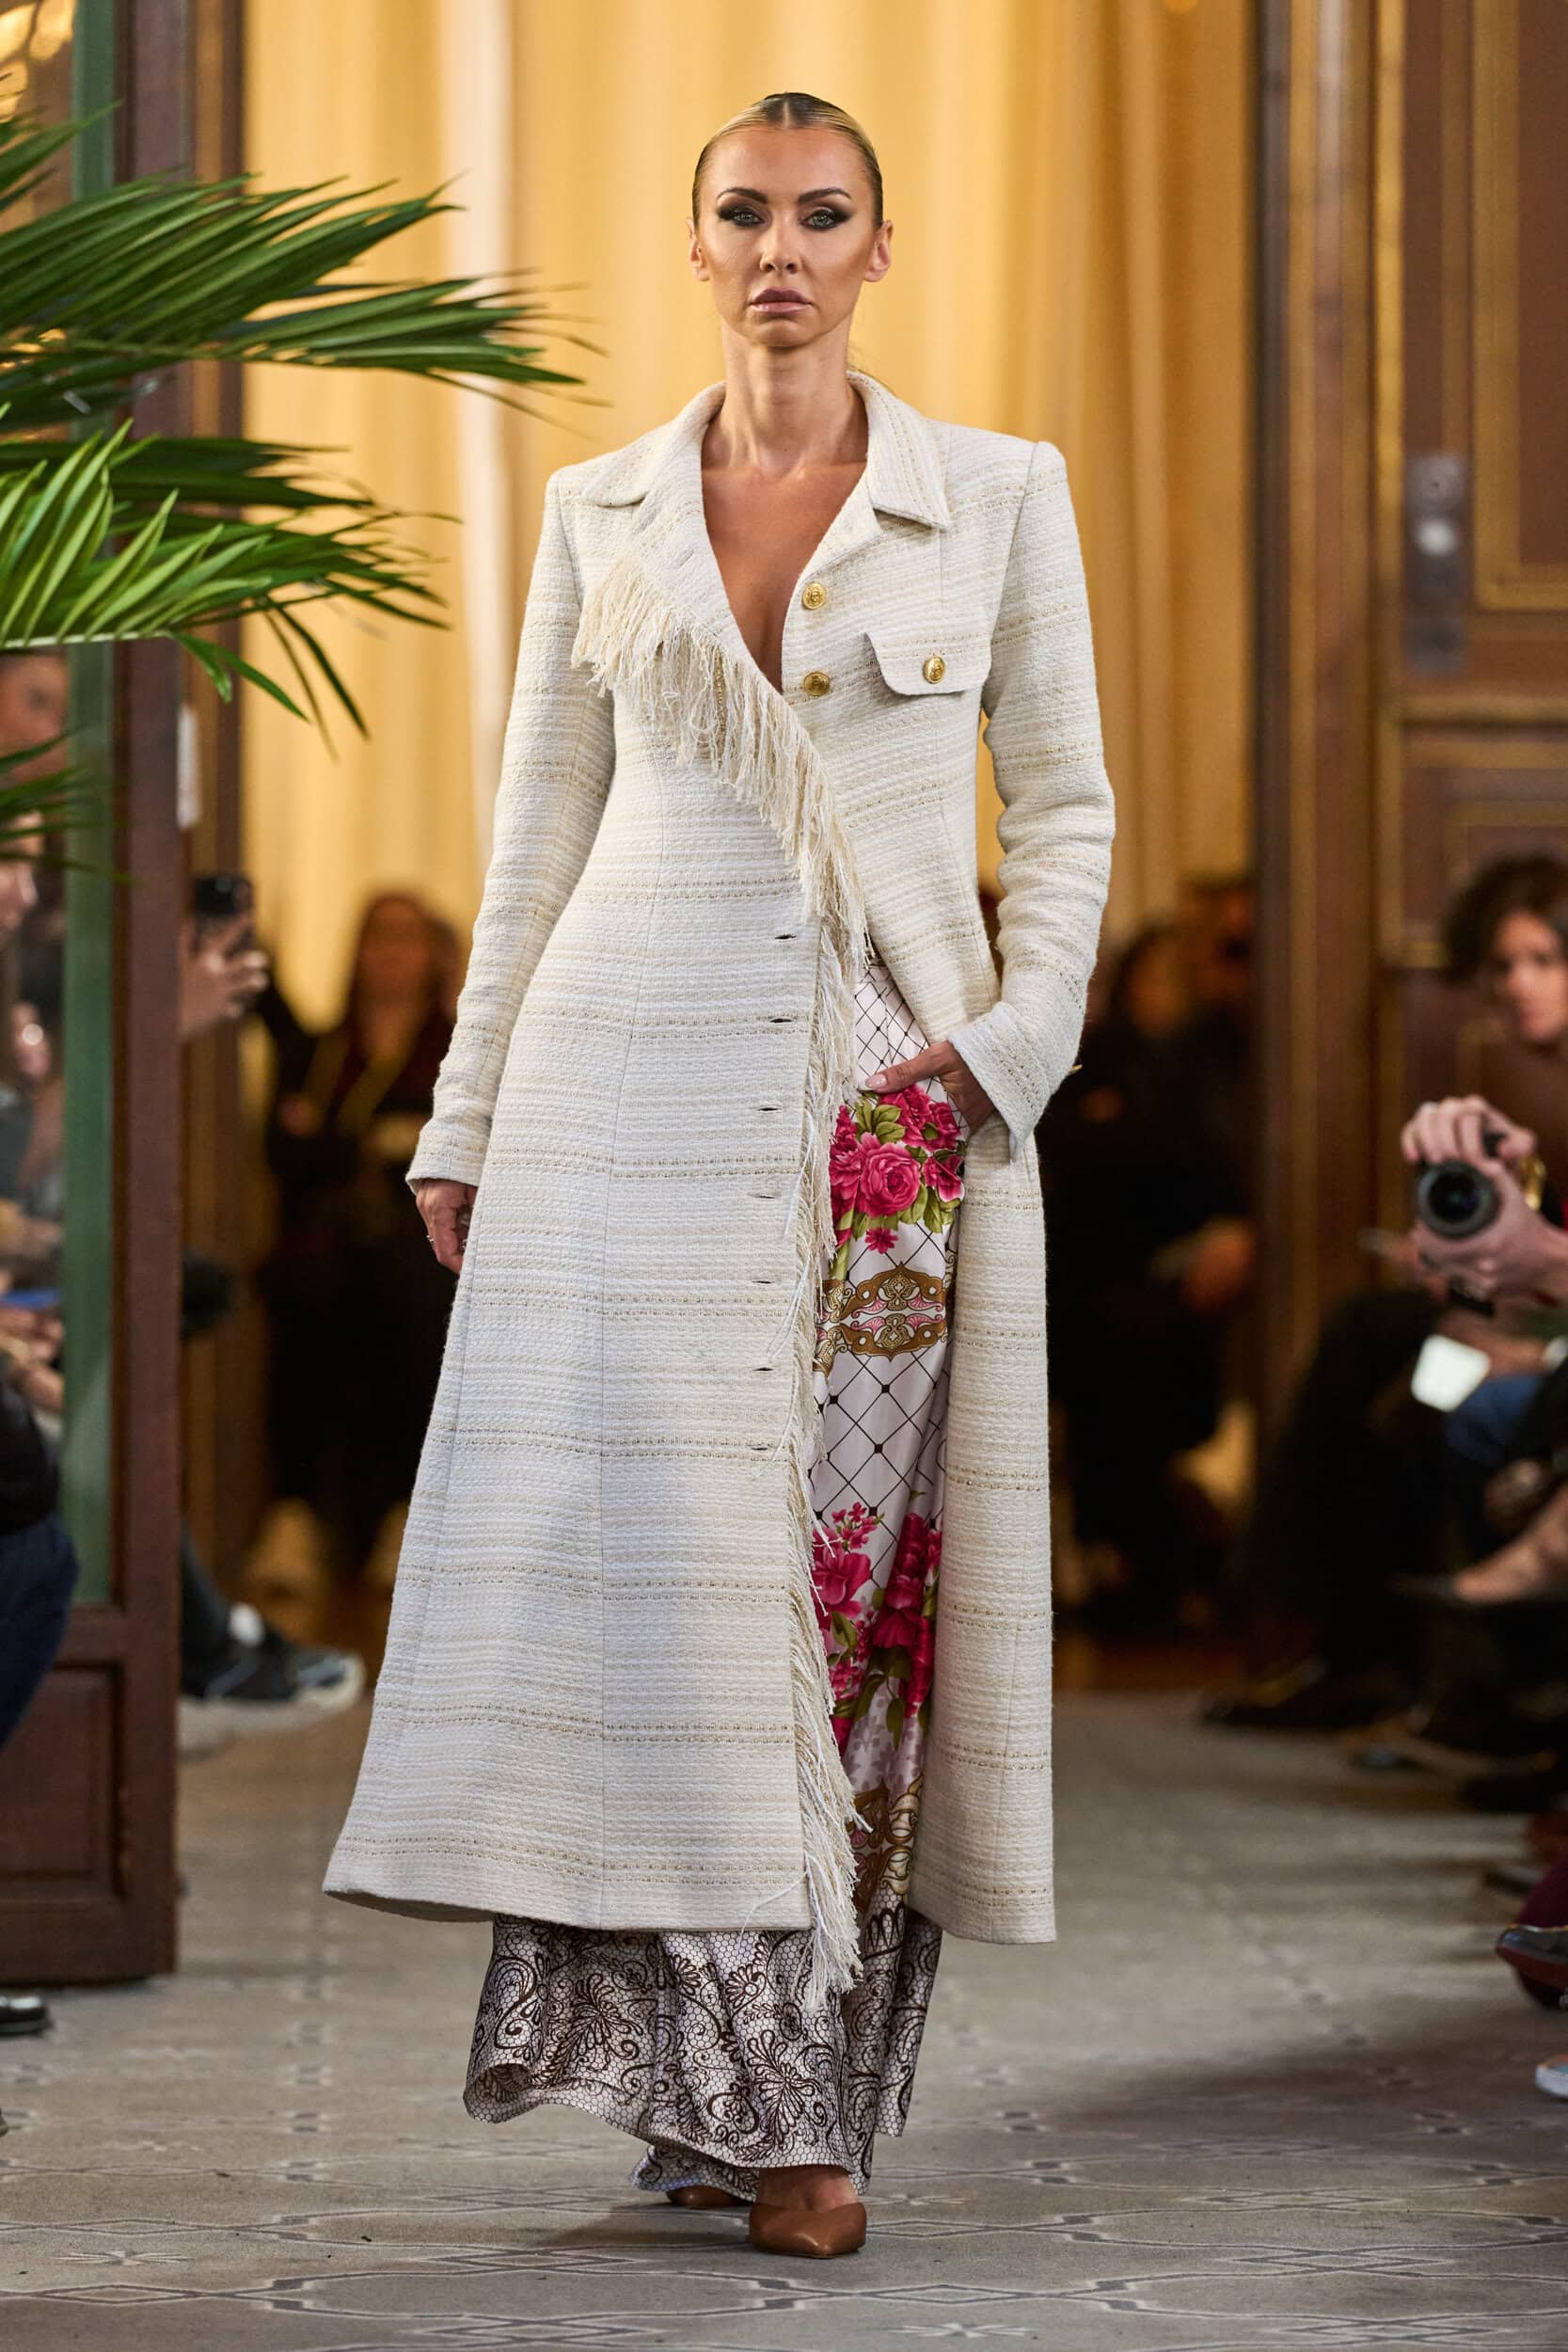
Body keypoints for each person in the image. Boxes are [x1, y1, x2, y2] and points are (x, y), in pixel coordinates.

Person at [323, 90, 1114, 2259]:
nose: (781, 247)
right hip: (617, 1114)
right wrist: (465, 1117)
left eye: (819, 214)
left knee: (845, 1605)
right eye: (744, 213)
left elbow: (1061, 802)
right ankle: (771, 2118)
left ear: (876, 248)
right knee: (659, 1607)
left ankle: (782, 2079)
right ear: (695, 248)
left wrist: (1004, 1054)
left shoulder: (996, 495)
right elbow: (535, 836)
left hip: (890, 1124)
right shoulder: (598, 509)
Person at [1206, 856, 1568, 1728]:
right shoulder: (1536, 1079)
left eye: (1543, 960)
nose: (1519, 984)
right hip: (1538, 1324)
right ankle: (1353, 1647)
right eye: (1502, 965)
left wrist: (1511, 1308)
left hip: (1551, 1342)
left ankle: (1418, 1667)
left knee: (1417, 1382)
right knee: (1378, 1344)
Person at [254, 892, 455, 1587]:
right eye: (378, 935)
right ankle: (294, 1518)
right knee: (299, 1300)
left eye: (408, 936)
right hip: (325, 1257)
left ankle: (409, 1517)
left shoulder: (459, 1052)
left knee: (417, 1315)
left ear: (435, 956)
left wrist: (339, 1141)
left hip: (421, 1261)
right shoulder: (321, 1053)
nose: (392, 952)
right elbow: (283, 1154)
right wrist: (371, 1145)